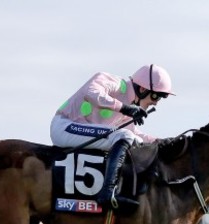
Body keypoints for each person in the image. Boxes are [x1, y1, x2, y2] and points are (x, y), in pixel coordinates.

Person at [50, 64, 174, 210]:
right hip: (65, 126)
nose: (156, 102)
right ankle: (107, 192)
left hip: (85, 133)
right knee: (124, 136)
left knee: (134, 140)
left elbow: (134, 134)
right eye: (156, 96)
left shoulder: (129, 108)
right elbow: (92, 92)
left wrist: (161, 142)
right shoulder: (114, 83)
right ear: (142, 89)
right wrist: (124, 108)